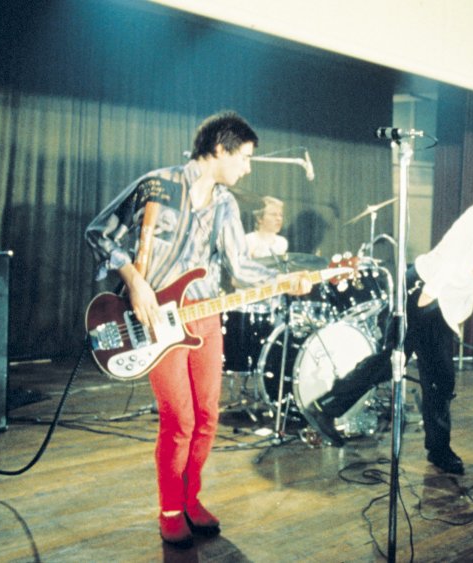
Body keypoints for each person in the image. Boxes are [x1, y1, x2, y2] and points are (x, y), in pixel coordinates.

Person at [85, 111, 311, 549]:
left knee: (207, 417)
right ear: (220, 149)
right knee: (179, 419)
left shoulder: (226, 204)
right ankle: (170, 510)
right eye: (244, 157)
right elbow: (99, 233)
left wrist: (291, 278)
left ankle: (191, 499)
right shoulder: (158, 184)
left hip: (205, 314)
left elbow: (240, 266)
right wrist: (135, 282)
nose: (247, 167)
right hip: (155, 318)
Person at [303, 163, 473, 475]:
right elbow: (457, 250)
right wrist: (430, 293)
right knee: (408, 366)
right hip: (426, 290)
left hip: (437, 301)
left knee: (425, 374)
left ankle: (430, 447)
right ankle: (331, 408)